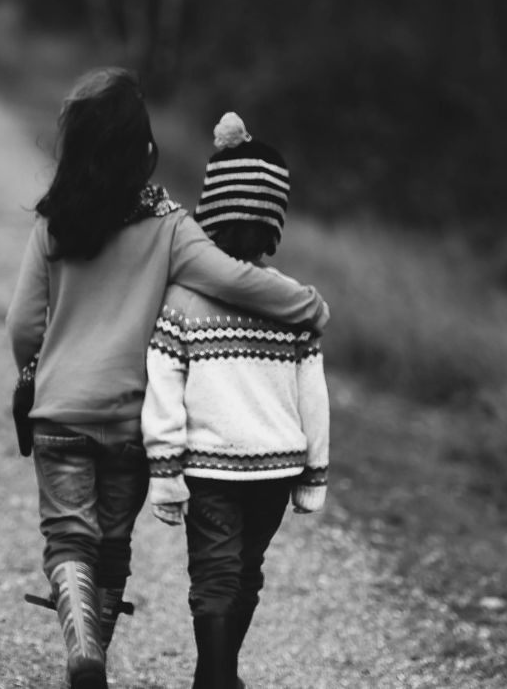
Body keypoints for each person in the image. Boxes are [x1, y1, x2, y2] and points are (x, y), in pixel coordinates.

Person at [5, 71, 330, 689]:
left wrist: (34, 373)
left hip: (60, 415)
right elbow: (235, 279)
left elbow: (23, 323)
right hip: (131, 421)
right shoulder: (171, 227)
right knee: (112, 546)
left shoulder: (52, 225)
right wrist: (307, 305)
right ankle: (94, 641)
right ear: (144, 150)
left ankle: (84, 649)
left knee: (69, 537)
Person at [142, 112, 331, 689]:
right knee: (246, 572)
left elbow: (162, 386)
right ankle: (219, 676)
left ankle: (215, 677)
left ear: (210, 214)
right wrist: (314, 474)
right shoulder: (291, 306)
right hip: (276, 467)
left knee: (215, 575)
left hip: (210, 468)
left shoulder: (182, 301)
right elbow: (313, 395)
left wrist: (165, 470)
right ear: (274, 220)